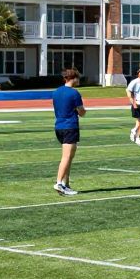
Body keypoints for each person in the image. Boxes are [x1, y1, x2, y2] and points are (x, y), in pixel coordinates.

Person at [52, 68, 85, 196]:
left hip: (59, 126)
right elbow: (81, 111)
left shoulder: (56, 92)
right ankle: (59, 183)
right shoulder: (74, 93)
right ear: (75, 78)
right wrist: (81, 112)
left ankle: (66, 184)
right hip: (70, 126)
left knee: (69, 157)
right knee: (66, 157)